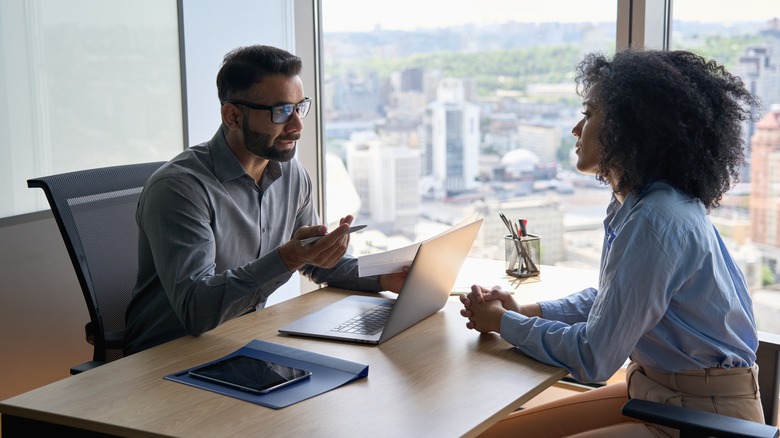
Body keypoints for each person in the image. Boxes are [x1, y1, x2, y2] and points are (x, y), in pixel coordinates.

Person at [460, 49, 765, 438]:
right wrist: (528, 309)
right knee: (494, 433)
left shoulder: (655, 220)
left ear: (630, 127)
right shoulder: (643, 203)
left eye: (588, 115)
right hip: (661, 393)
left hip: (704, 417)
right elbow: (614, 301)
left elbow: (594, 357)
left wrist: (504, 322)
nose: (575, 129)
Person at [123, 45, 407, 355]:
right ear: (233, 116)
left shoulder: (290, 174)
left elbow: (316, 261)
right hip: (165, 357)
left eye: (300, 107)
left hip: (240, 340)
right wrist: (288, 258)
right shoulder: (180, 189)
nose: (297, 125)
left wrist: (382, 276)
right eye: (281, 111)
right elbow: (196, 311)